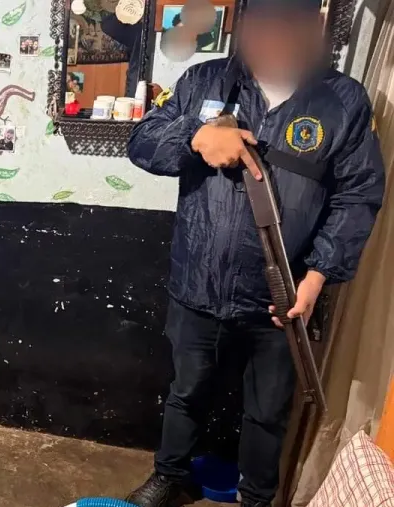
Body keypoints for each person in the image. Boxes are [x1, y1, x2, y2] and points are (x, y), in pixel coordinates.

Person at [125, 0, 385, 505]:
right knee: (186, 392)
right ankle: (171, 475)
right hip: (197, 282)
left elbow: (357, 196)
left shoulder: (342, 100)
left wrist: (316, 278)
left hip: (282, 296)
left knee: (268, 410)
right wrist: (196, 136)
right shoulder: (204, 81)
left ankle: (258, 498)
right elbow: (142, 142)